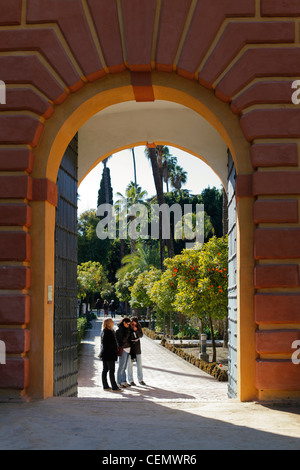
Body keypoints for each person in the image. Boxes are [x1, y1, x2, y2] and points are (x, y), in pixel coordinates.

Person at [99, 318, 122, 392]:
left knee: (105, 370)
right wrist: (115, 350)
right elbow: (108, 344)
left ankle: (105, 386)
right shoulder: (108, 332)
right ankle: (114, 386)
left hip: (105, 354)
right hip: (109, 354)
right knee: (111, 370)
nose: (113, 322)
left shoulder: (104, 331)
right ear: (109, 323)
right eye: (112, 321)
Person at [127, 317, 146, 386]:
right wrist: (131, 329)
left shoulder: (138, 326)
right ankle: (130, 380)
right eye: (132, 323)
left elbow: (141, 335)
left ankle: (140, 379)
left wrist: (136, 330)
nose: (133, 324)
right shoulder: (128, 326)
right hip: (130, 348)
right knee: (130, 365)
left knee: (139, 364)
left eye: (135, 323)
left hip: (137, 348)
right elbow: (126, 335)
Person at [116, 317, 131, 388]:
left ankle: (123, 381)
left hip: (128, 349)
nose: (129, 325)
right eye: (128, 324)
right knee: (121, 367)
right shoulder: (119, 331)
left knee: (124, 367)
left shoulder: (128, 329)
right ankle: (118, 382)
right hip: (123, 349)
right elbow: (122, 341)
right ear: (124, 323)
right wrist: (127, 333)